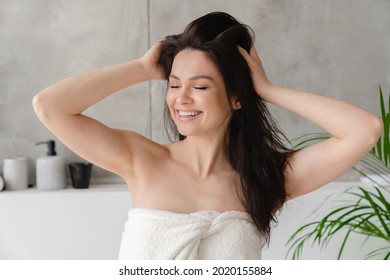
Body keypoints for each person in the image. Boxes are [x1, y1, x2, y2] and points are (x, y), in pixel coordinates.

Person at [33, 12, 383, 260]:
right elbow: (49, 106)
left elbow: (365, 130)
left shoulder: (266, 177)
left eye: (199, 86)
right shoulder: (141, 160)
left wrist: (265, 88)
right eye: (174, 85)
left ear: (236, 97)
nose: (181, 98)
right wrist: (142, 68)